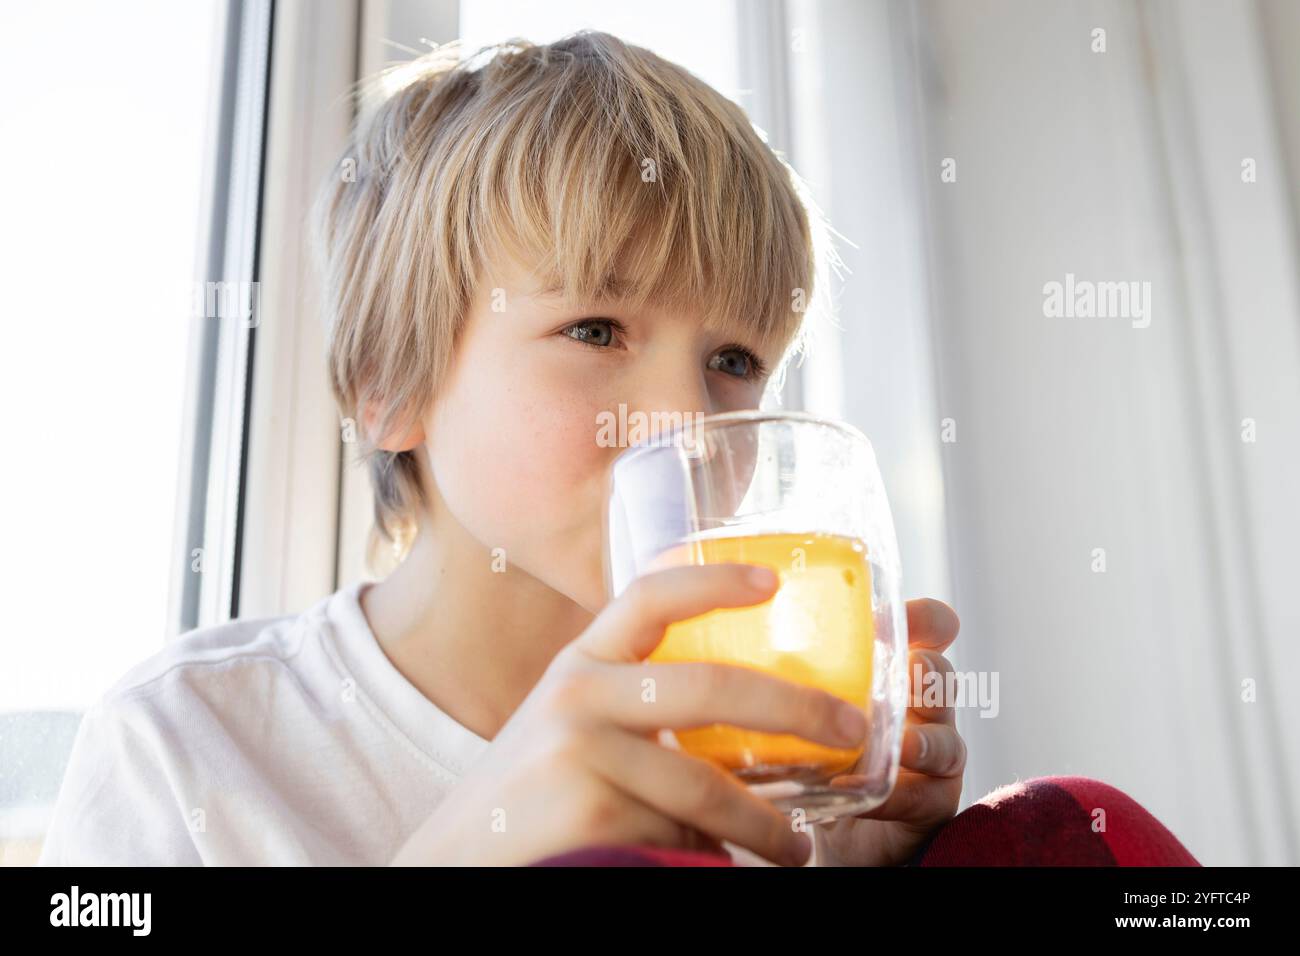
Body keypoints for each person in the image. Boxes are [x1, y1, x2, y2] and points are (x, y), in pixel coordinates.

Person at [37, 30, 1189, 868]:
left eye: (735, 358)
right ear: (390, 388)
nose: (689, 420)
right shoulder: (189, 747)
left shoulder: (756, 743)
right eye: (594, 329)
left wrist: (865, 863)